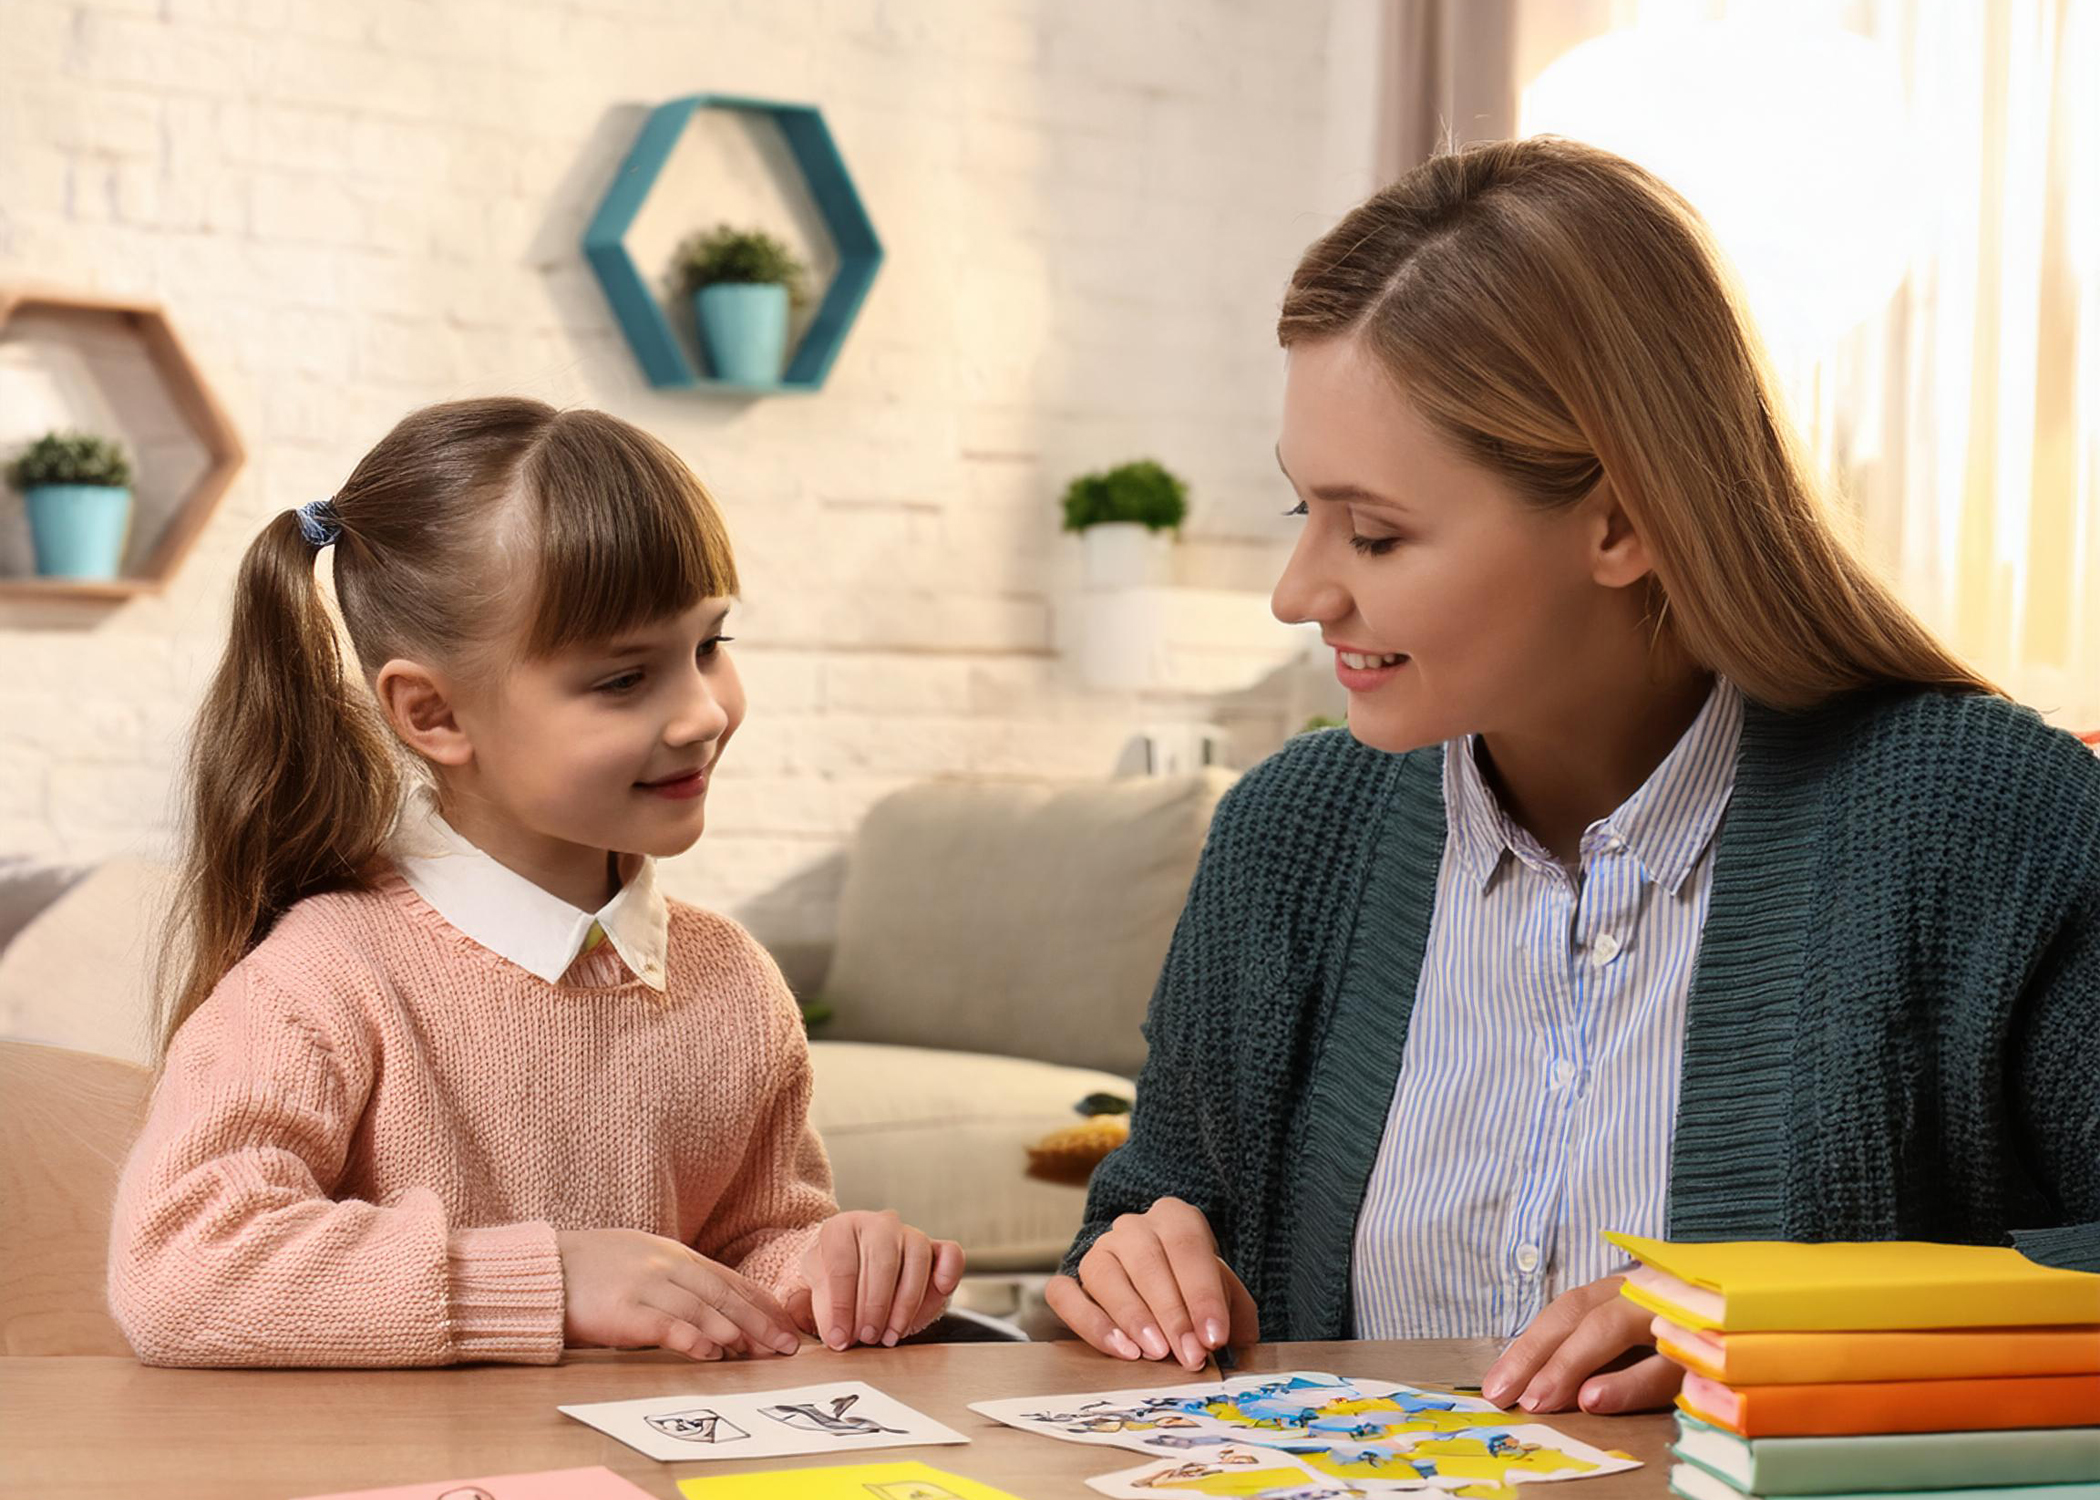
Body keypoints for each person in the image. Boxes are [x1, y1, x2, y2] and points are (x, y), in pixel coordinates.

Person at [1045, 137, 2100, 1415]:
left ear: (1621, 522)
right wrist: (1136, 1272)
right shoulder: (1290, 836)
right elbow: (1145, 1218)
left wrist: (1784, 1319)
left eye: (1374, 533)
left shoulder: (1991, 825)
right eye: (1300, 512)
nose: (1299, 591)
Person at [109, 398, 962, 1367]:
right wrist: (550, 1280)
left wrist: (825, 1271)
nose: (702, 714)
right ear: (433, 715)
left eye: (709, 646)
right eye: (623, 679)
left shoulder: (734, 985)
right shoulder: (322, 980)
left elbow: (745, 1250)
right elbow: (179, 1270)